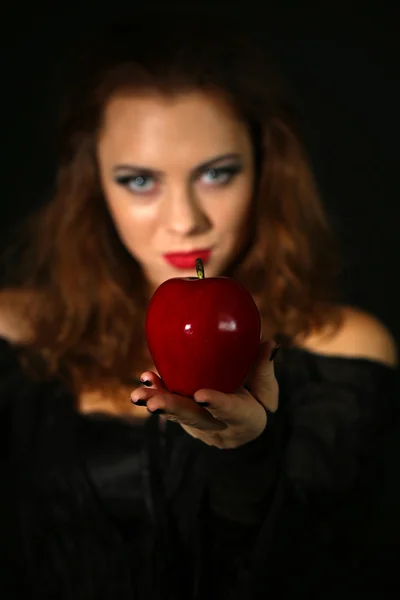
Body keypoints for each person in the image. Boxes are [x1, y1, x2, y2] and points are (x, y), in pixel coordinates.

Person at [0, 12, 398, 600]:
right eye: (140, 181)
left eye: (217, 173)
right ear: (94, 187)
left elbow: (328, 572)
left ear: (264, 170)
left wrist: (248, 461)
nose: (187, 221)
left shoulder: (343, 350)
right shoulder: (13, 335)